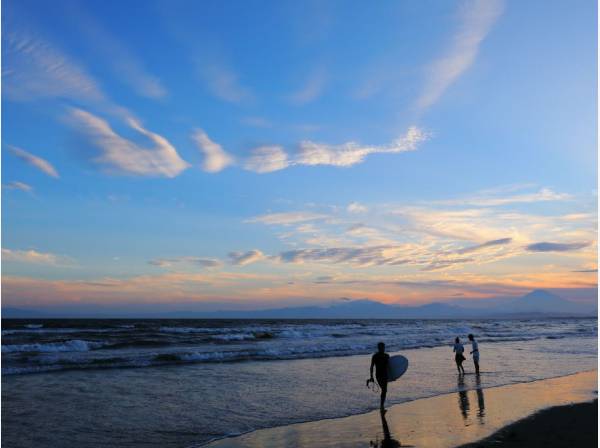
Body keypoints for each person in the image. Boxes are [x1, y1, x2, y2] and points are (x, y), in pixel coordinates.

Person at [369, 342, 390, 411]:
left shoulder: (387, 356)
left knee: (385, 390)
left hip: (385, 375)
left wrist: (392, 377)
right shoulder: (375, 356)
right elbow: (371, 366)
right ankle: (381, 405)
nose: (382, 349)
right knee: (384, 390)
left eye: (383, 347)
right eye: (381, 348)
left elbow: (389, 368)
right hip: (379, 375)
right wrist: (371, 376)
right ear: (378, 348)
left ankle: (382, 405)